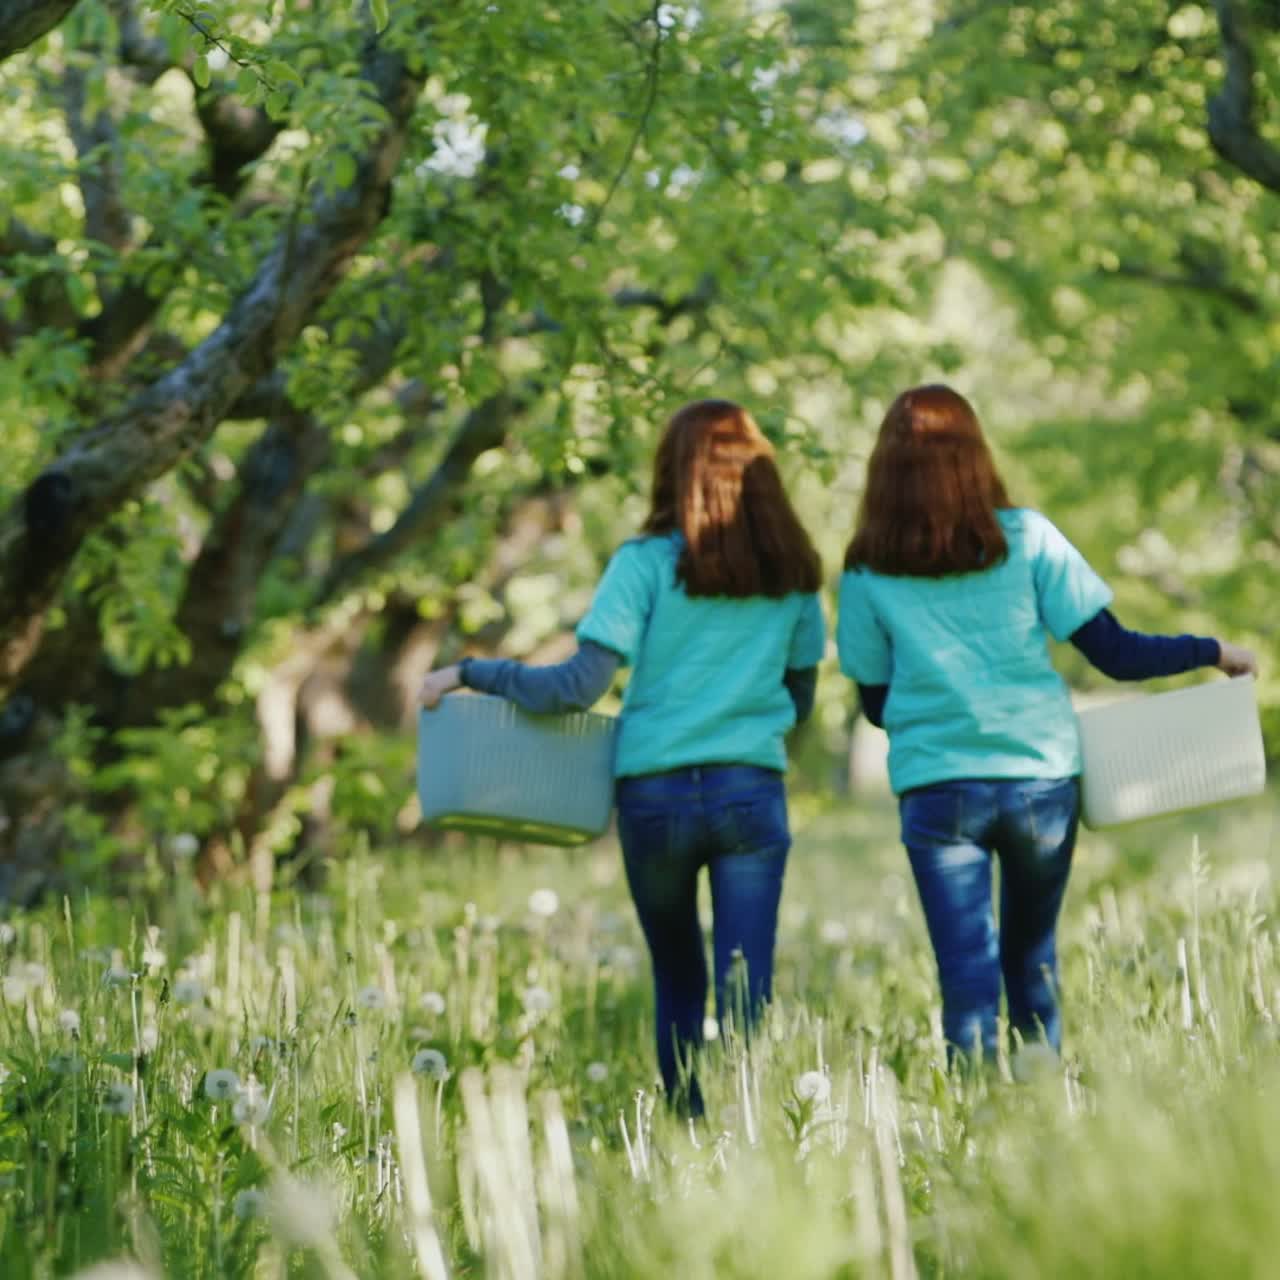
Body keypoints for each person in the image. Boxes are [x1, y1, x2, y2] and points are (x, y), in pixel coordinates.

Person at [419, 399, 826, 1115]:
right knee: (744, 979)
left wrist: (471, 672)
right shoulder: (791, 575)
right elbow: (800, 698)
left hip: (655, 799)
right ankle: (750, 1132)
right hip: (749, 792)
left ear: (671, 473)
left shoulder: (642, 565)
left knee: (677, 975)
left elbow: (575, 688)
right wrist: (744, 726)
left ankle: (685, 1125)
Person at [835, 384, 1258, 1067]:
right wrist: (1211, 651)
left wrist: (934, 696)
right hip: (1038, 784)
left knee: (965, 974)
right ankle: (1041, 1109)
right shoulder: (1028, 538)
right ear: (975, 456)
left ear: (886, 469)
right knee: (1031, 963)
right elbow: (1115, 654)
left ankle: (973, 1127)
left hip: (940, 790)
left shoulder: (866, 569)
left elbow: (878, 705)